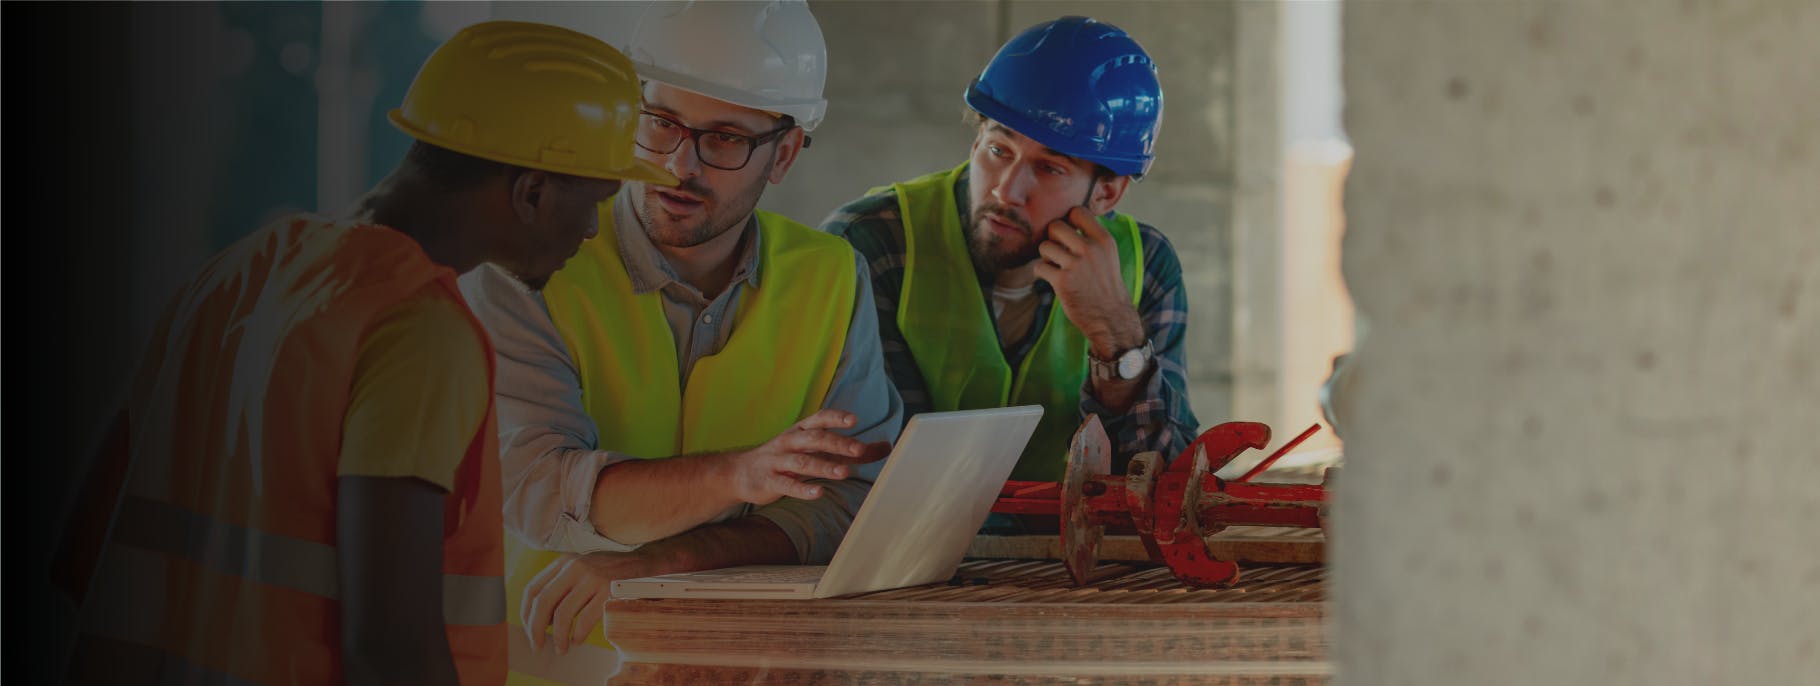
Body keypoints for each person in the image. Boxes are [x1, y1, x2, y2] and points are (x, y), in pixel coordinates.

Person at [54, 22, 671, 685]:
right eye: (597, 202)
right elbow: (390, 653)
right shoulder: (418, 328)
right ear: (533, 191)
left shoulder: (231, 277)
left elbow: (79, 553)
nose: (590, 232)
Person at [456, 2, 901, 680]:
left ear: (782, 154)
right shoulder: (530, 262)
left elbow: (853, 504)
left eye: (723, 138)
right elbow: (537, 490)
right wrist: (741, 478)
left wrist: (668, 561)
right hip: (548, 667)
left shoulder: (831, 276)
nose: (676, 164)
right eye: (660, 123)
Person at [823, 16, 1197, 491]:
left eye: (1049, 167)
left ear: (1107, 194)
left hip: (1072, 563)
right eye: (999, 150)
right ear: (976, 138)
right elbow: (875, 471)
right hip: (909, 558)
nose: (1006, 190)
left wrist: (1117, 337)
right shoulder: (870, 245)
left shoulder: (1147, 266)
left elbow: (1168, 487)